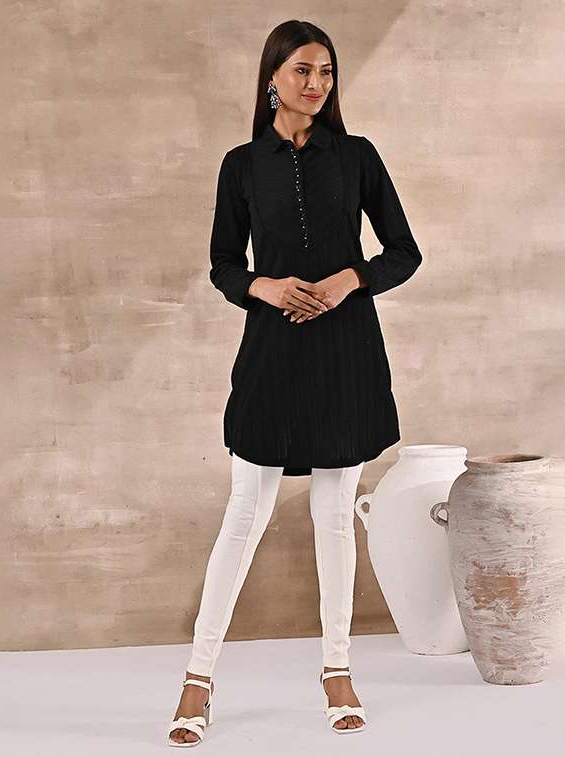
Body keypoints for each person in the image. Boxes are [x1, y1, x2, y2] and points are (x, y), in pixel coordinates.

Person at [167, 18, 422, 746]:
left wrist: (349, 279)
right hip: (272, 351)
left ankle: (338, 669)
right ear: (272, 76)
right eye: (303, 70)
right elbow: (222, 263)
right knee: (245, 510)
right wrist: (265, 287)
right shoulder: (242, 165)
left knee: (335, 513)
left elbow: (404, 252)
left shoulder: (358, 157)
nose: (317, 84)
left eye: (327, 71)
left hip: (346, 351)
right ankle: (198, 676)